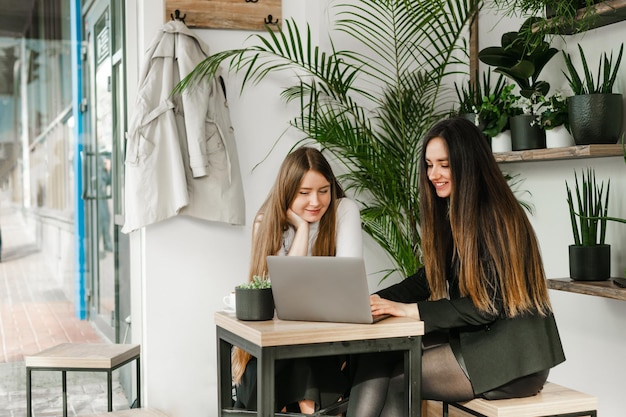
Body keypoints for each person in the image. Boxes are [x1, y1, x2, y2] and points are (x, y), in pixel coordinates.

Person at [346, 117, 566, 417]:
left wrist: (412, 311)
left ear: (467, 163)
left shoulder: (497, 217)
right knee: (378, 356)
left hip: (514, 358)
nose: (433, 174)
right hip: (481, 340)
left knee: (401, 379)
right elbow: (426, 279)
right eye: (428, 164)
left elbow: (486, 307)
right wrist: (373, 301)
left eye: (444, 164)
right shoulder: (458, 212)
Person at [233, 146, 363, 414]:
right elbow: (280, 302)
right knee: (295, 369)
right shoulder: (266, 222)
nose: (315, 202)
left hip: (327, 342)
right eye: (304, 193)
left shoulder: (344, 211)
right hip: (278, 345)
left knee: (305, 368)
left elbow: (346, 289)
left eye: (323, 191)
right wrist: (302, 230)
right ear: (287, 190)